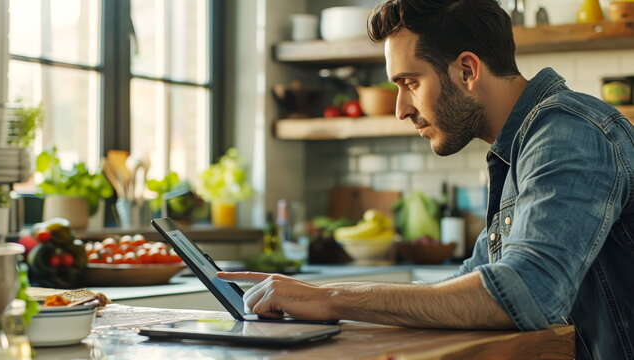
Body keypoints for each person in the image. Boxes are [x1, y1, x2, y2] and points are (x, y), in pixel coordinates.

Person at [218, 1, 634, 358]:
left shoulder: (568, 132)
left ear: (467, 70)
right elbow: (470, 283)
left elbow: (525, 292)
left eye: (410, 82)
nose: (400, 109)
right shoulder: (520, 149)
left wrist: (329, 299)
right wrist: (314, 297)